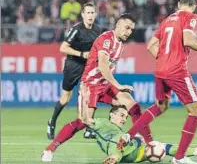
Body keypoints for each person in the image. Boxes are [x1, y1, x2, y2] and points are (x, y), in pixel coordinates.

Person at [117, 0, 197, 164]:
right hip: (177, 71)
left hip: (160, 70)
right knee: (196, 113)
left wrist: (163, 60)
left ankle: (129, 134)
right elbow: (188, 40)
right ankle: (179, 158)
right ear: (194, 5)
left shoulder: (167, 20)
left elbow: (150, 46)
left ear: (178, 4)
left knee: (160, 107)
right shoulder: (190, 17)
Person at [41, 13, 153, 162]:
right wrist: (118, 85)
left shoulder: (119, 44)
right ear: (118, 25)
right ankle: (50, 149)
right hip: (91, 86)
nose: (129, 32)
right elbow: (103, 66)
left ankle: (149, 142)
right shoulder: (106, 39)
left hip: (105, 86)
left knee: (133, 105)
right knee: (83, 122)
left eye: (131, 29)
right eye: (127, 28)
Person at [47, 2, 101, 140]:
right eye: (87, 13)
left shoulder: (97, 30)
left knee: (88, 94)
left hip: (87, 67)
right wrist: (82, 54)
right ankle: (52, 122)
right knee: (66, 97)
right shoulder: (76, 29)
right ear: (83, 15)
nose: (90, 15)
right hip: (73, 65)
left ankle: (88, 128)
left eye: (92, 13)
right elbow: (63, 48)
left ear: (95, 15)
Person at [93, 105, 197, 164]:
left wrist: (138, 139)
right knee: (118, 143)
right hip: (120, 149)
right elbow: (86, 121)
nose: (124, 119)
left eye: (125, 117)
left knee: (161, 146)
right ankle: (114, 158)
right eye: (121, 115)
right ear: (111, 114)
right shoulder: (101, 122)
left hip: (133, 151)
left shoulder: (118, 131)